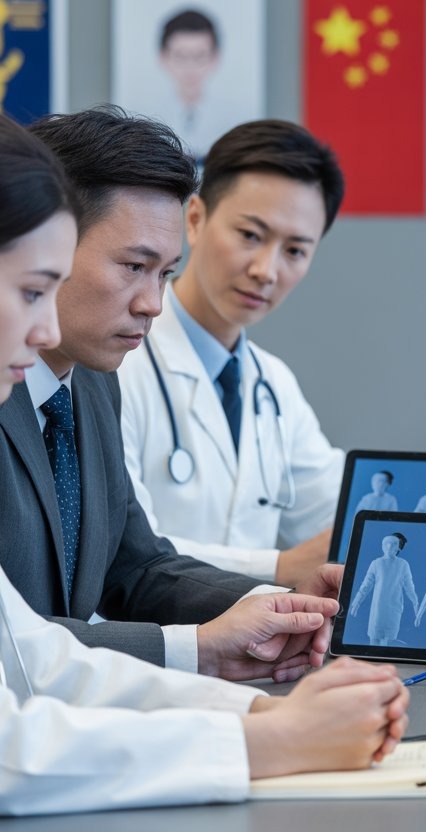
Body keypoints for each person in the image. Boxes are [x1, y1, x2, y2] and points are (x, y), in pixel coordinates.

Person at [0, 104, 407, 819]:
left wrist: (253, 714)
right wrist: (263, 747)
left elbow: (29, 655)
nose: (48, 325)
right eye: (32, 291)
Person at [0, 107, 338, 680]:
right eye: (133, 267)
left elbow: (136, 568)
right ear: (40, 245)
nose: (153, 303)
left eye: (165, 274)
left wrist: (279, 604)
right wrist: (194, 648)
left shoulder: (94, 382)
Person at [117, 119, 345, 587]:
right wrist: (277, 568)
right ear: (195, 219)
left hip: (252, 650)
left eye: (296, 251)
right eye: (250, 235)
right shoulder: (117, 363)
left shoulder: (273, 384)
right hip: (136, 651)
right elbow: (122, 547)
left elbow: (333, 517)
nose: (266, 270)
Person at [154, 9, 238, 161]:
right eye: (181, 56)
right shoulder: (146, 114)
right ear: (164, 57)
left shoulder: (234, 116)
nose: (190, 67)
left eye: (199, 56)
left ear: (214, 58)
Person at [349, 532, 418, 647]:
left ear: (399, 547)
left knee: (388, 640)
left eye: (393, 544)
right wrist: (357, 602)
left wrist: (415, 602)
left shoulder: (403, 565)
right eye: (387, 543)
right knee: (375, 638)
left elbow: (409, 586)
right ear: (382, 545)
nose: (389, 547)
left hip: (394, 608)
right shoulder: (376, 564)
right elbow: (366, 585)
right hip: (378, 609)